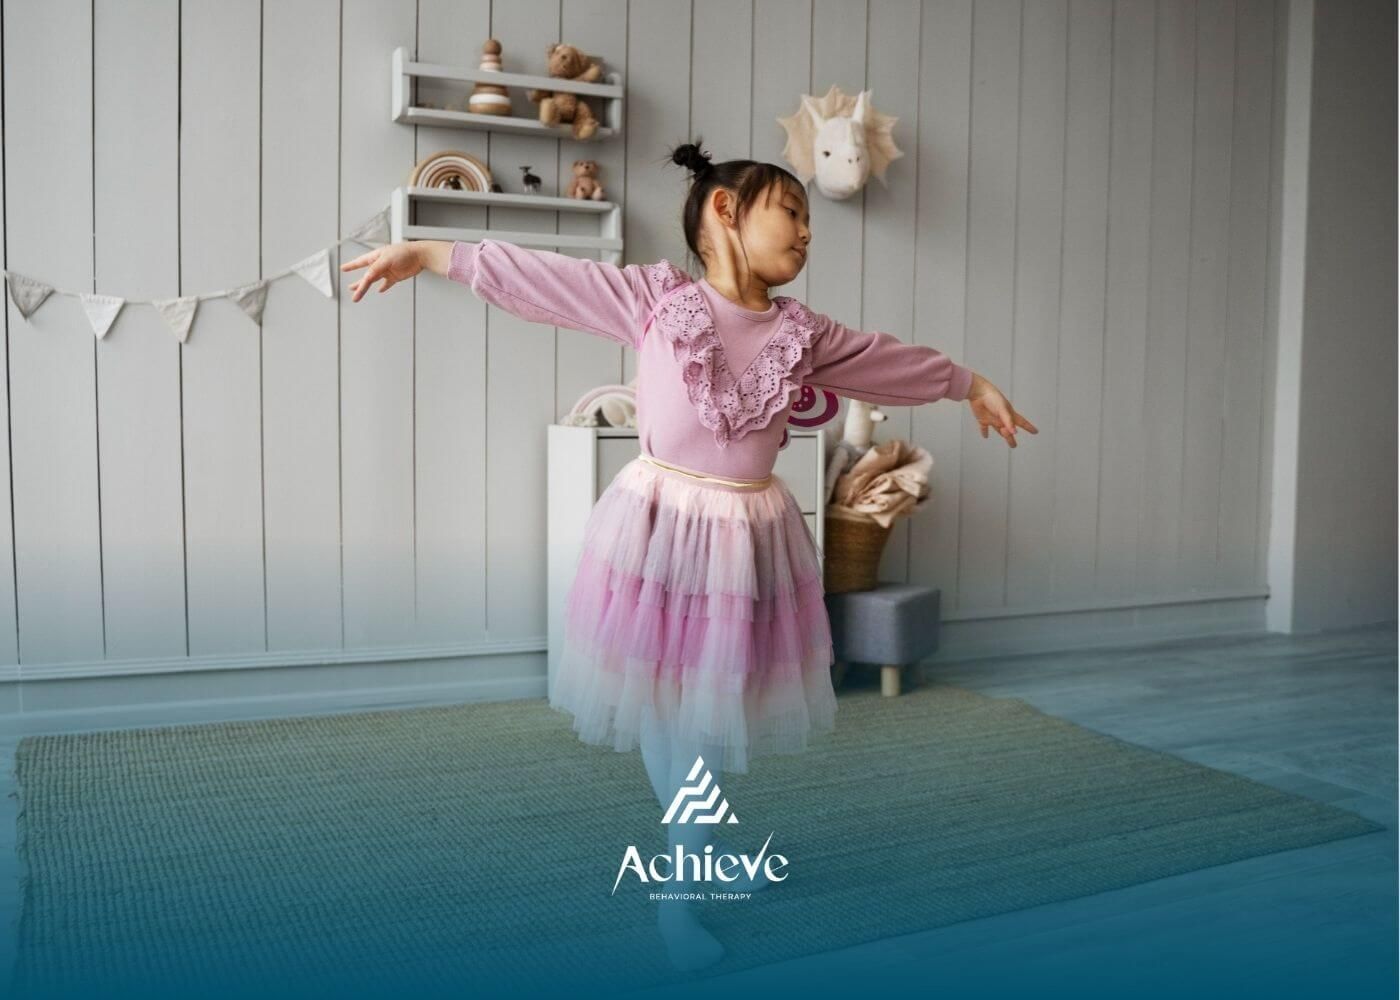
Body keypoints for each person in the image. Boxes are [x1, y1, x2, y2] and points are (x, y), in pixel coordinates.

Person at [342, 139, 1036, 972]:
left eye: (813, 223)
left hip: (747, 539)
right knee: (671, 707)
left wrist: (969, 383)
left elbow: (885, 359)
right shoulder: (655, 298)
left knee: (705, 714)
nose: (808, 235)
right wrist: (431, 252)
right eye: (794, 214)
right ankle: (684, 886)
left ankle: (691, 857)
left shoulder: (801, 333)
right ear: (726, 212)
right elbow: (544, 280)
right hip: (657, 526)